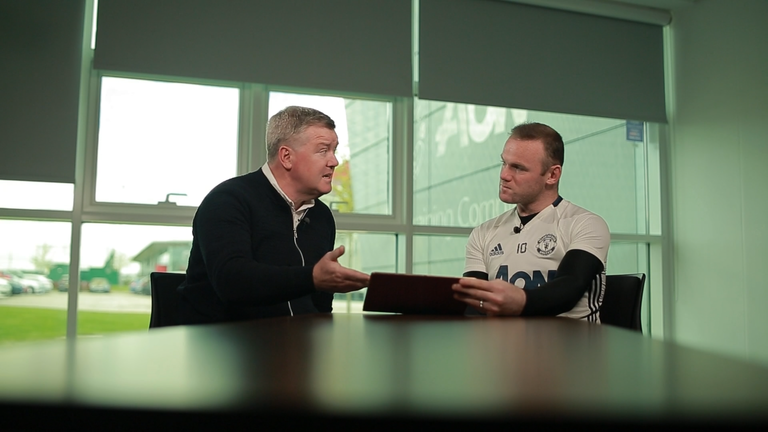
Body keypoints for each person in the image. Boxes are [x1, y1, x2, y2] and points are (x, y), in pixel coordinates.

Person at [178, 106, 370, 324]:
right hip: (220, 346)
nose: (334, 161)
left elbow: (321, 305)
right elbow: (232, 281)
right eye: (323, 150)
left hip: (294, 346)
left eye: (334, 150)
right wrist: (312, 278)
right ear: (286, 156)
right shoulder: (228, 200)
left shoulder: (322, 216)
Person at [452, 122, 609, 322]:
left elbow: (571, 287)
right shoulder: (483, 233)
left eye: (518, 168)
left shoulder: (585, 223)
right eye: (504, 163)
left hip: (572, 347)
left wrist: (520, 301)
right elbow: (474, 304)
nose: (504, 175)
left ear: (552, 175)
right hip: (505, 347)